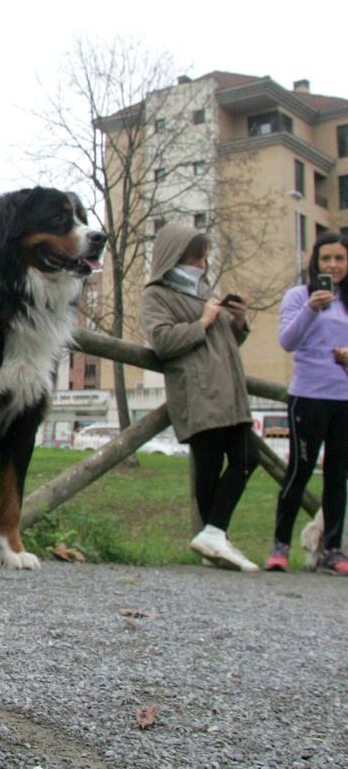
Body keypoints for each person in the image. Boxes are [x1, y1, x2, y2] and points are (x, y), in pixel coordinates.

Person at [141, 223, 260, 571]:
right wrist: (204, 321)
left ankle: (213, 536)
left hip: (229, 392)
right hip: (198, 391)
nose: (201, 264)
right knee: (210, 466)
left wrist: (238, 322)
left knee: (245, 457)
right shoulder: (156, 296)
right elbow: (162, 341)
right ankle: (214, 537)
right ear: (173, 257)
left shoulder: (204, 291)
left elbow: (225, 343)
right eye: (194, 257)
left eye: (204, 257)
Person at [265, 232, 348, 574]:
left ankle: (332, 550)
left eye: (339, 259)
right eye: (325, 258)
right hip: (308, 397)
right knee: (298, 472)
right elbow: (287, 341)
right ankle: (280, 547)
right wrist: (312, 309)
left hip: (343, 400)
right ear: (314, 262)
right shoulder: (298, 297)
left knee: (337, 477)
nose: (332, 265)